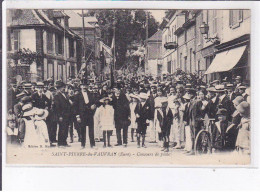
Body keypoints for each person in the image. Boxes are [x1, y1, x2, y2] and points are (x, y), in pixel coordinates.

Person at [74, 80, 97, 149]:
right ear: (80, 86)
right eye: (83, 85)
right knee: (82, 130)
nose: (84, 87)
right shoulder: (77, 95)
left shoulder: (91, 94)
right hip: (82, 114)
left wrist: (94, 106)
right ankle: (82, 144)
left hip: (89, 114)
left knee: (91, 130)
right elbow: (75, 107)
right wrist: (77, 116)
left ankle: (92, 144)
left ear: (87, 86)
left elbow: (94, 102)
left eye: (85, 85)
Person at [54, 81, 72, 147]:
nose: (63, 89)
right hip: (62, 115)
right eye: (62, 87)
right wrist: (60, 116)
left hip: (67, 114)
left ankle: (64, 142)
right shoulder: (57, 96)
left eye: (64, 87)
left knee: (66, 128)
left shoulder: (65, 95)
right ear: (58, 88)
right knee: (62, 128)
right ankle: (60, 143)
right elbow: (57, 107)